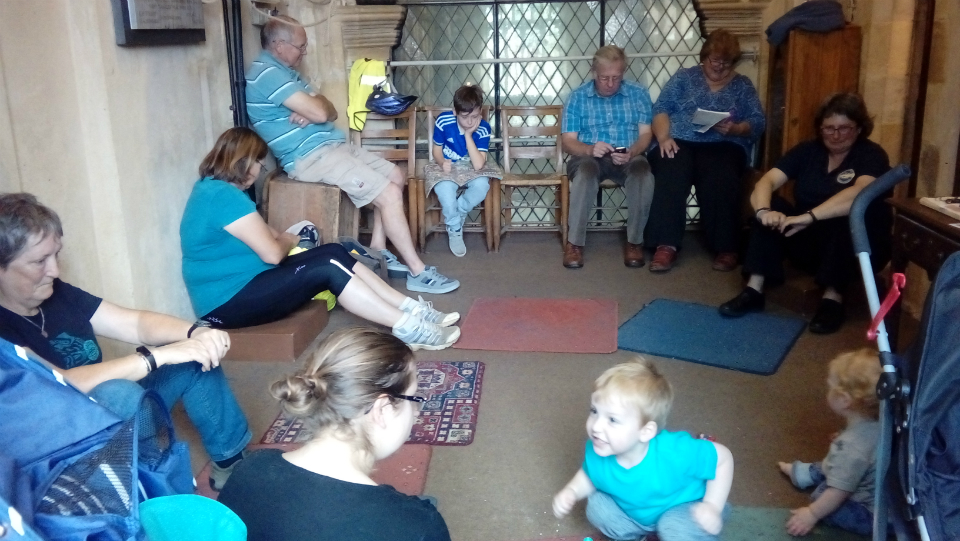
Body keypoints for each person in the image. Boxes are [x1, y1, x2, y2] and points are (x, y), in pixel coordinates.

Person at [0, 193, 250, 490]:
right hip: (61, 441)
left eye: (56, 255)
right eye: (40, 261)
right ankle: (156, 493)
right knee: (120, 394)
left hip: (106, 410)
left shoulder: (56, 293)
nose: (54, 270)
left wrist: (195, 333)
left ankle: (231, 463)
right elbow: (59, 383)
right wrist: (155, 357)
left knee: (192, 359)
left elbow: (134, 323)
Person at [180, 127, 460, 351]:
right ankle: (409, 327)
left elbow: (265, 234)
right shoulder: (223, 196)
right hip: (228, 303)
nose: (258, 170)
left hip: (240, 290)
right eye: (257, 162)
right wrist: (290, 240)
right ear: (242, 161)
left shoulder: (214, 191)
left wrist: (287, 237)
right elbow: (273, 254)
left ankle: (411, 310)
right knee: (328, 267)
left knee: (335, 251)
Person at [245, 15, 459, 294]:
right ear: (279, 44)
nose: (304, 52)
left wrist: (314, 109)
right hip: (310, 156)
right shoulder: (267, 73)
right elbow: (321, 112)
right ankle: (417, 272)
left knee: (396, 175)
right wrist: (315, 110)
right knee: (389, 194)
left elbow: (328, 109)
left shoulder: (287, 73)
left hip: (331, 147)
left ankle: (379, 250)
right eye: (301, 46)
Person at [218, 327, 452, 541]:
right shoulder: (417, 528)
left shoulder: (249, 469)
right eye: (413, 399)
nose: (417, 412)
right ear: (383, 409)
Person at [718, 93, 891, 334]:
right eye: (829, 128)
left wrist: (809, 216)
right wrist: (764, 211)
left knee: (848, 217)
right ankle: (754, 290)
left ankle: (833, 299)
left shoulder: (872, 155)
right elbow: (766, 181)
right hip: (807, 239)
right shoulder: (808, 150)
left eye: (844, 128)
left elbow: (859, 193)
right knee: (774, 208)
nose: (836, 134)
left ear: (859, 128)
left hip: (853, 246)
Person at [552, 358, 734, 541]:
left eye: (612, 420)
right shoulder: (598, 448)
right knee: (597, 506)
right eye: (594, 411)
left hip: (686, 510)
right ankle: (638, 536)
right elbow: (590, 474)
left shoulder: (674, 452)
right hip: (636, 515)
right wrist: (572, 491)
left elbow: (723, 459)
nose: (596, 427)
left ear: (645, 432)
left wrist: (712, 506)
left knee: (673, 527)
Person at [644, 29, 765, 273]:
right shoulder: (684, 78)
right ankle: (665, 244)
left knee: (720, 176)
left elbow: (758, 121)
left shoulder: (742, 85)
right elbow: (661, 108)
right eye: (715, 60)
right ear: (704, 56)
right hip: (678, 139)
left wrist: (736, 128)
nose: (719, 67)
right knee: (671, 169)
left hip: (723, 144)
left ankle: (726, 247)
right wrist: (664, 137)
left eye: (726, 62)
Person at [561, 45, 655, 269]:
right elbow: (568, 142)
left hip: (628, 155)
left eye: (616, 77)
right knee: (585, 172)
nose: (611, 84)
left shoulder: (638, 93)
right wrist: (590, 149)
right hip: (588, 156)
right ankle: (574, 244)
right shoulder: (578, 97)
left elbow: (646, 135)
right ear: (594, 72)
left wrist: (633, 150)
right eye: (605, 78)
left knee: (643, 173)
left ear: (624, 72)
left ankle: (635, 241)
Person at [778, 349, 882, 537]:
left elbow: (839, 491)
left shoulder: (851, 447)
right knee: (837, 463)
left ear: (844, 400)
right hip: (880, 487)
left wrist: (811, 513)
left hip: (871, 513)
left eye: (830, 387)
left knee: (823, 495)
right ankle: (803, 474)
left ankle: (806, 476)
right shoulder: (881, 423)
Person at [423, 84, 500, 257]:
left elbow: (479, 165)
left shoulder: (483, 128)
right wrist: (442, 162)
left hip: (471, 167)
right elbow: (436, 150)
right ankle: (455, 226)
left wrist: (467, 135)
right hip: (448, 166)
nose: (470, 122)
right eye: (465, 117)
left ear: (480, 111)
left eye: (475, 116)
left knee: (482, 186)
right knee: (445, 189)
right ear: (455, 112)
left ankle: (460, 211)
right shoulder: (444, 121)